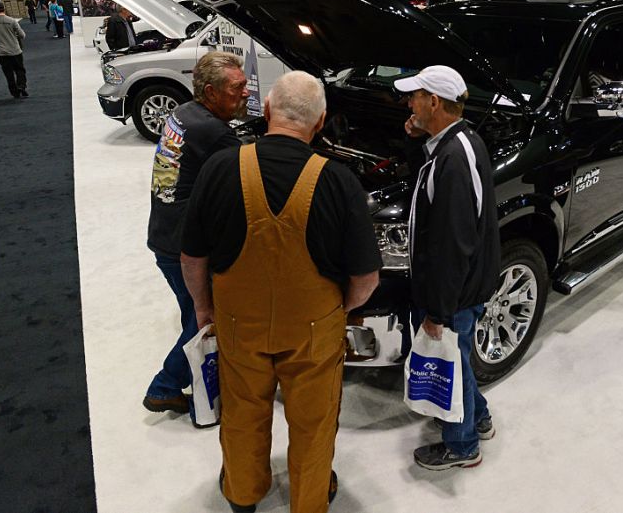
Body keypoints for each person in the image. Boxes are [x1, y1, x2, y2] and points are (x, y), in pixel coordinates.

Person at [181, 70, 381, 512]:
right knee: (314, 421)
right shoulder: (339, 180)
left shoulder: (219, 167)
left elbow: (192, 257)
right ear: (321, 121)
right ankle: (309, 500)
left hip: (238, 324)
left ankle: (243, 494)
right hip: (314, 332)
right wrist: (340, 310)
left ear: (267, 110)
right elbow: (367, 279)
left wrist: (202, 308)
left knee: (242, 414)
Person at [394, 65, 501, 471]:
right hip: (466, 287)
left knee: (448, 362)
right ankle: (480, 416)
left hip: (455, 293)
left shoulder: (452, 159)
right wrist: (414, 139)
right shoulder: (460, 140)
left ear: (434, 102)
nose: (409, 103)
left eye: (415, 96)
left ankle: (462, 445)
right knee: (457, 356)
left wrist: (438, 311)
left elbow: (453, 245)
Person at [143, 52, 247, 424]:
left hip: (163, 233)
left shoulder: (183, 113)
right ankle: (165, 386)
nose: (246, 92)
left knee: (193, 311)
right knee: (205, 317)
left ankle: (205, 380)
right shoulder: (214, 131)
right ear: (210, 91)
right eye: (237, 88)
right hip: (185, 246)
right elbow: (250, 169)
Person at [0, 0, 28, 98]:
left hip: (2, 53)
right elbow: (22, 35)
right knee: (20, 70)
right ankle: (21, 86)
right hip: (15, 50)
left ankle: (14, 92)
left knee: (8, 73)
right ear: (4, 8)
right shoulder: (11, 20)